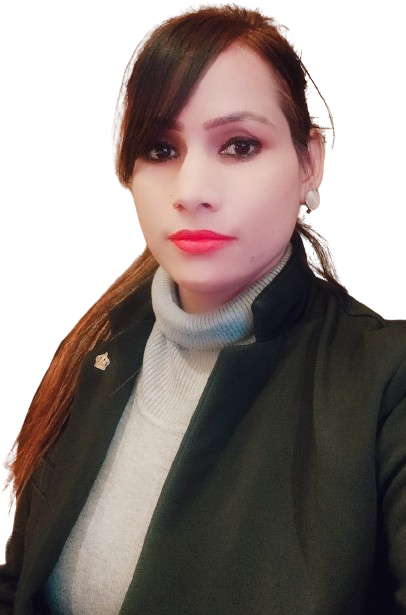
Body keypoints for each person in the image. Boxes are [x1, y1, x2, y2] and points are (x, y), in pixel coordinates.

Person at [1, 5, 406, 614]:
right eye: (161, 149)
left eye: (239, 146)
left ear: (309, 162)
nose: (190, 192)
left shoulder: (386, 383)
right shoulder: (94, 351)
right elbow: (19, 584)